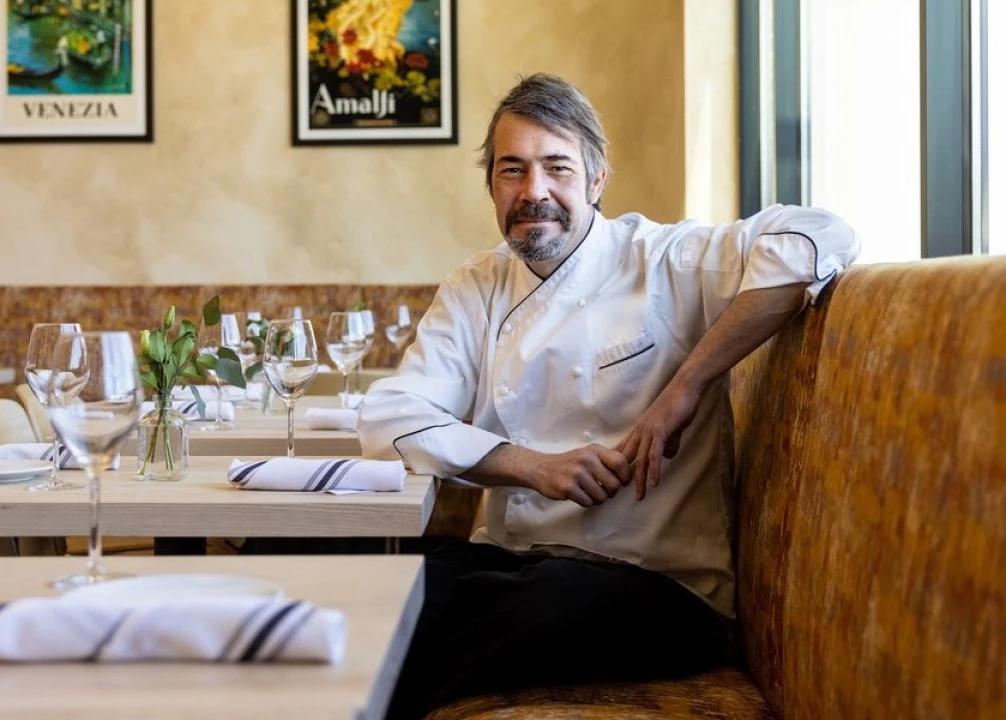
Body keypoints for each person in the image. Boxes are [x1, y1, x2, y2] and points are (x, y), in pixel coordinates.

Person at [358, 73, 859, 718]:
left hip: (660, 586)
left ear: (597, 180)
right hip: (514, 561)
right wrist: (531, 466)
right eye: (512, 170)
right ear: (492, 186)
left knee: (526, 609)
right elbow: (390, 416)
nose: (533, 191)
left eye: (557, 167)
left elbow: (820, 234)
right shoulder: (476, 286)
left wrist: (685, 386)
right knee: (368, 588)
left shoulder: (665, 260)